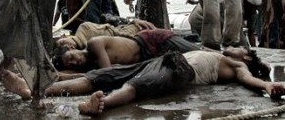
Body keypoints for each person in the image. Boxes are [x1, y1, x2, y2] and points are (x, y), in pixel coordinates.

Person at [46, 47, 281, 115]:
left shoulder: (237, 65)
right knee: (101, 75)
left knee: (136, 86)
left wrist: (267, 85)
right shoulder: (214, 52)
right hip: (163, 60)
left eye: (240, 47)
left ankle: (101, 105)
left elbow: (247, 78)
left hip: (179, 69)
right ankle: (38, 90)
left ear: (247, 56)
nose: (234, 46)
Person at [53, 28, 201, 72]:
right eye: (70, 64)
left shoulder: (93, 44)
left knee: (198, 51)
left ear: (73, 48)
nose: (74, 62)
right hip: (147, 57)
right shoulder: (91, 65)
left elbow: (108, 71)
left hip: (149, 40)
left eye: (71, 57)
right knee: (193, 59)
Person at [55, 19, 156, 50]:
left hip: (128, 30)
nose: (66, 46)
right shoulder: (86, 50)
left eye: (62, 42)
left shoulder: (83, 28)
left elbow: (108, 24)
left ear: (65, 36)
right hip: (131, 41)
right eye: (65, 48)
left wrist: (131, 21)